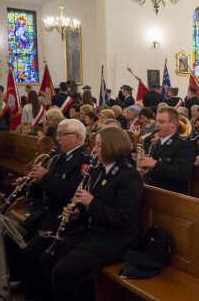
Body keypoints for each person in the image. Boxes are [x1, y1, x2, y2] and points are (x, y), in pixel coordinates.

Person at [41, 126, 143, 301]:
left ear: (112, 146)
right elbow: (91, 206)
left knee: (62, 272)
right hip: (96, 232)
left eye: (99, 145)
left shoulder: (129, 176)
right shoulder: (99, 169)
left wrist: (91, 202)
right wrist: (78, 213)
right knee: (47, 257)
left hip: (116, 240)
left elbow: (122, 218)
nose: (94, 150)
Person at [4, 119, 91, 300]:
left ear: (77, 137)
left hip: (62, 217)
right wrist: (29, 187)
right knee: (11, 235)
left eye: (61, 134)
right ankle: (24, 278)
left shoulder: (84, 162)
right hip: (45, 211)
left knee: (32, 251)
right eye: (56, 134)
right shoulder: (58, 157)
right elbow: (45, 187)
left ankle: (38, 293)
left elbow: (72, 193)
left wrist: (45, 177)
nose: (57, 138)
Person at [139, 107, 195, 194]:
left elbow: (182, 174)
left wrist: (155, 164)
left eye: (161, 122)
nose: (156, 125)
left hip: (170, 196)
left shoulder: (183, 145)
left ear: (173, 124)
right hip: (153, 191)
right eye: (156, 121)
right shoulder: (156, 144)